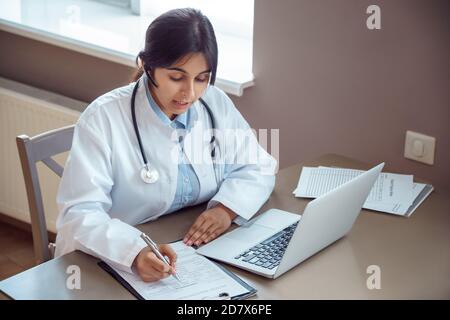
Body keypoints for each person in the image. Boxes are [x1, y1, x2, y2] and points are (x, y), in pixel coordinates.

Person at [55, 8, 276, 283]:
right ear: (148, 65)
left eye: (202, 78)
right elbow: (79, 214)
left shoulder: (214, 104)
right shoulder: (103, 118)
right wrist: (133, 252)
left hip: (192, 253)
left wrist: (226, 209)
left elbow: (258, 165)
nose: (190, 93)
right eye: (176, 77)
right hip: (107, 261)